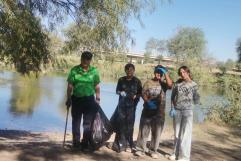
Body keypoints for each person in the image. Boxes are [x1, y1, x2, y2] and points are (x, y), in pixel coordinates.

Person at [135, 65, 173, 159]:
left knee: (157, 132)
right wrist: (148, 102)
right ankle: (140, 149)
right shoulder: (148, 82)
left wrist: (166, 73)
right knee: (143, 131)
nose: (158, 74)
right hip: (147, 111)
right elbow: (143, 93)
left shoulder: (164, 84)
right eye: (157, 72)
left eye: (160, 73)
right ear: (154, 72)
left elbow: (170, 85)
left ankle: (153, 150)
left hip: (159, 113)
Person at [65, 51, 100, 150]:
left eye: (88, 59)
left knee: (87, 123)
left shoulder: (94, 71)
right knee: (76, 122)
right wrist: (68, 98)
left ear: (90, 60)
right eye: (84, 58)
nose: (85, 61)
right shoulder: (74, 70)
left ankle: (85, 143)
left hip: (89, 100)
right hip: (76, 99)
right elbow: (70, 86)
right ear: (81, 58)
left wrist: (98, 99)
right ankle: (76, 143)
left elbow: (97, 86)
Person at [169, 66, 200, 161]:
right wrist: (172, 108)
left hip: (188, 111)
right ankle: (175, 154)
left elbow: (197, 100)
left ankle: (185, 157)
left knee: (186, 134)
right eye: (181, 73)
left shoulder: (194, 85)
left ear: (188, 72)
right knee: (177, 133)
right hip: (177, 110)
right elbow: (172, 96)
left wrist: (195, 98)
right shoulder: (177, 84)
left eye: (184, 72)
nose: (182, 74)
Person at [110, 63, 142, 153]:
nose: (129, 71)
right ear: (125, 70)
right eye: (127, 69)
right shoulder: (121, 80)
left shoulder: (137, 81)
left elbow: (141, 93)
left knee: (130, 126)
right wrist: (121, 92)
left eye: (131, 70)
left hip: (132, 107)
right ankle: (119, 144)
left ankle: (129, 144)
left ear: (134, 71)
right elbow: (117, 91)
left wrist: (136, 96)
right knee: (121, 125)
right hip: (122, 107)